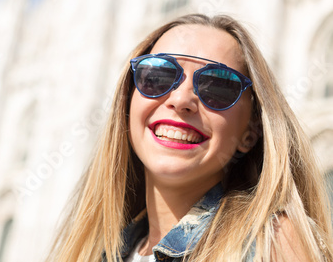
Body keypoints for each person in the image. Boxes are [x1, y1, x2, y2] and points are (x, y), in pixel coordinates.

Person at [47, 14, 333, 261]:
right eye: (157, 75)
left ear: (251, 131)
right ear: (127, 102)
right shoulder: (96, 252)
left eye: (218, 86)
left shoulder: (272, 242)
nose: (181, 99)